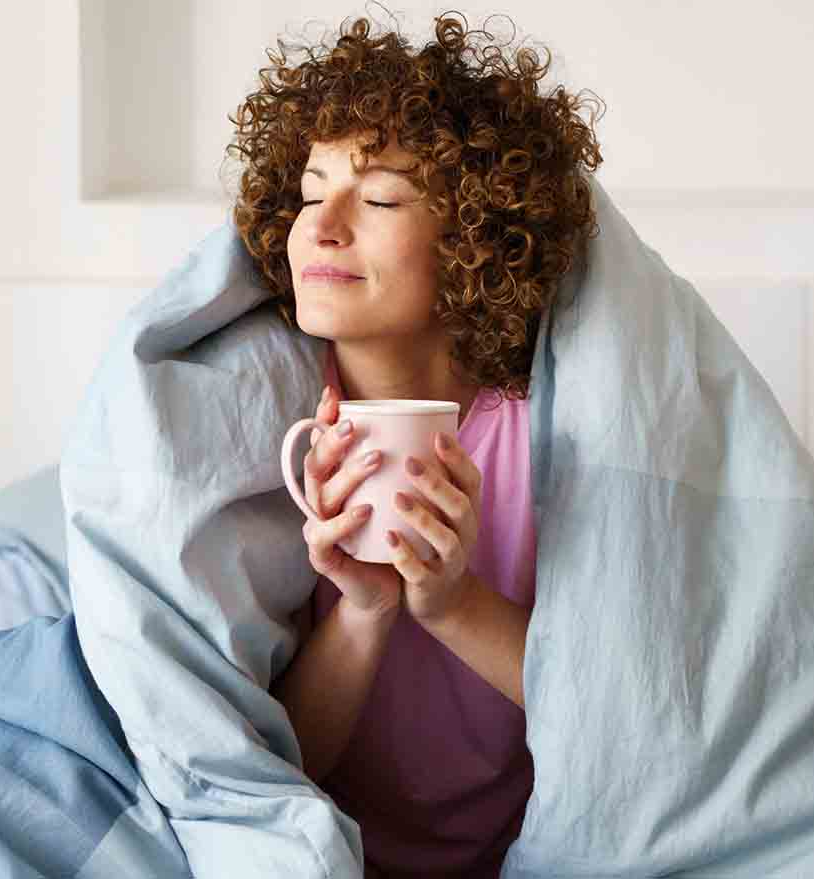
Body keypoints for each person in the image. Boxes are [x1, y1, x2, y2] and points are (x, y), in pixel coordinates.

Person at [225, 11, 602, 876]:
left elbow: (609, 714)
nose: (324, 223)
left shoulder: (544, 428)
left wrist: (452, 603)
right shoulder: (264, 411)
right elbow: (278, 770)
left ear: (475, 237)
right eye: (312, 192)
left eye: (382, 196)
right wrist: (365, 607)